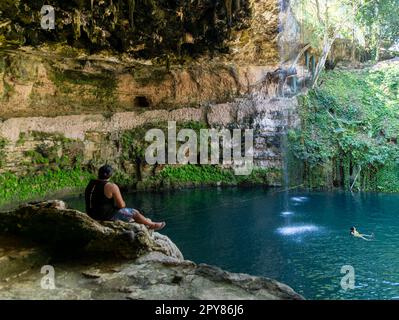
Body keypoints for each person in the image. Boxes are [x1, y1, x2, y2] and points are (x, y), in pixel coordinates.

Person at [85, 165, 166, 231]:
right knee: (133, 212)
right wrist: (121, 203)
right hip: (104, 216)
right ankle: (151, 225)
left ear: (99, 173)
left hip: (90, 213)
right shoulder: (111, 186)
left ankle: (145, 222)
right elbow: (121, 205)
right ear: (110, 175)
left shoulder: (91, 183)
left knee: (131, 214)